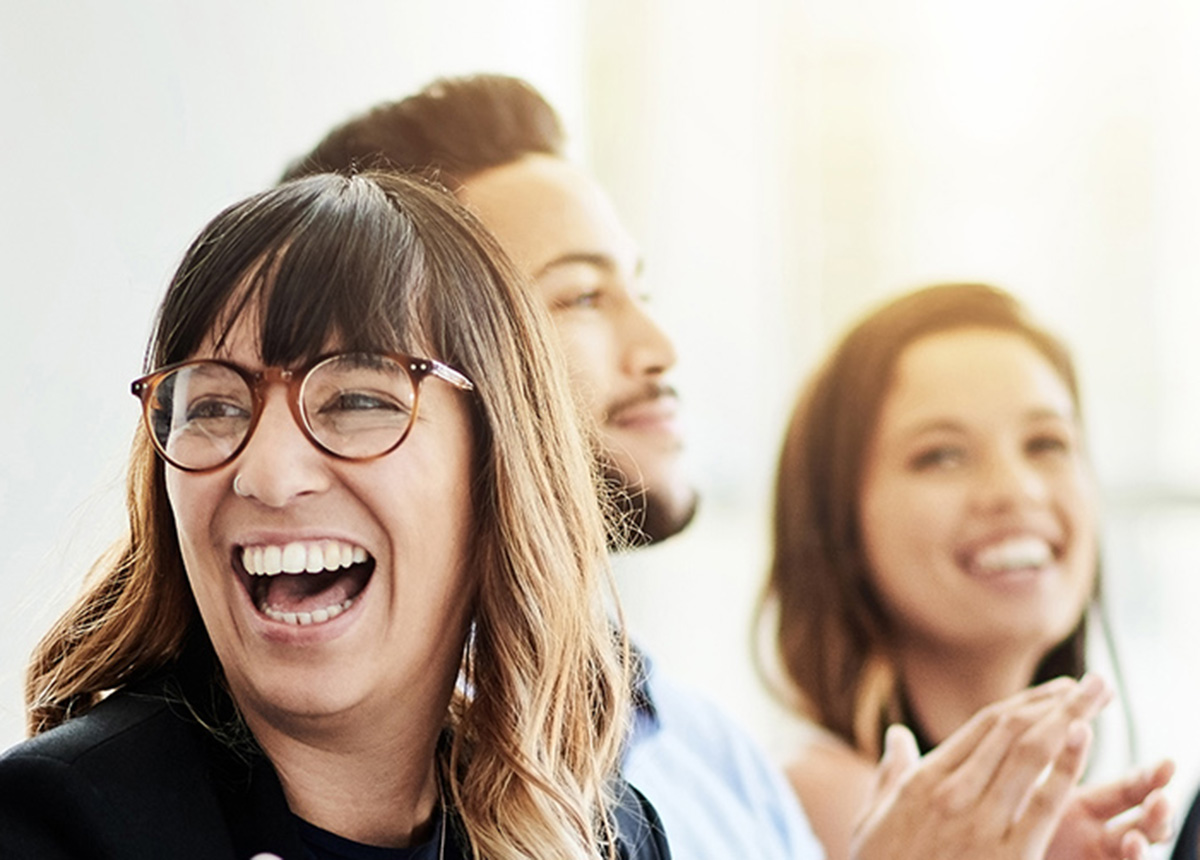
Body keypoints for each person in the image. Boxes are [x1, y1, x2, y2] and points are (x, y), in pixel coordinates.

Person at [0, 171, 671, 859]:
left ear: (497, 464)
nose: (268, 475)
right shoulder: (57, 824)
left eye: (355, 400)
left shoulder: (603, 832)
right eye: (214, 406)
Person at [280, 73, 819, 860]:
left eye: (638, 289)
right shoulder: (348, 789)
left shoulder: (712, 750)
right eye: (580, 299)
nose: (659, 350)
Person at [760, 282, 1174, 860]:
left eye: (1047, 443)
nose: (1015, 490)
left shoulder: (1056, 822)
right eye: (942, 455)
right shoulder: (824, 801)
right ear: (840, 523)